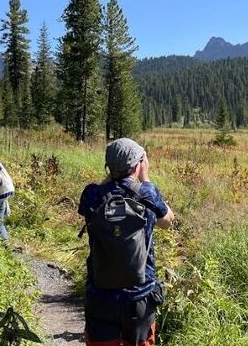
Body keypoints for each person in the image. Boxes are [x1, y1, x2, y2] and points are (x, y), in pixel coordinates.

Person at [78, 138, 175, 346]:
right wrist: (145, 178)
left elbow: (104, 195)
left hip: (100, 296)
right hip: (140, 296)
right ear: (138, 165)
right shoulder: (146, 192)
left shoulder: (92, 194)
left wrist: (115, 176)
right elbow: (168, 221)